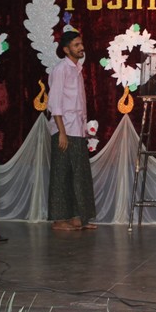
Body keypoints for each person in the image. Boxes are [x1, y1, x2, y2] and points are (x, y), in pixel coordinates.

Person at [47, 29, 97, 231]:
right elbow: (55, 103)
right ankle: (59, 220)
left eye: (81, 43)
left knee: (79, 174)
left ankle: (78, 218)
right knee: (61, 174)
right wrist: (61, 132)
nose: (81, 47)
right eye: (76, 45)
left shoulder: (77, 69)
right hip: (64, 130)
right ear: (66, 50)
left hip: (77, 129)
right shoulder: (61, 70)